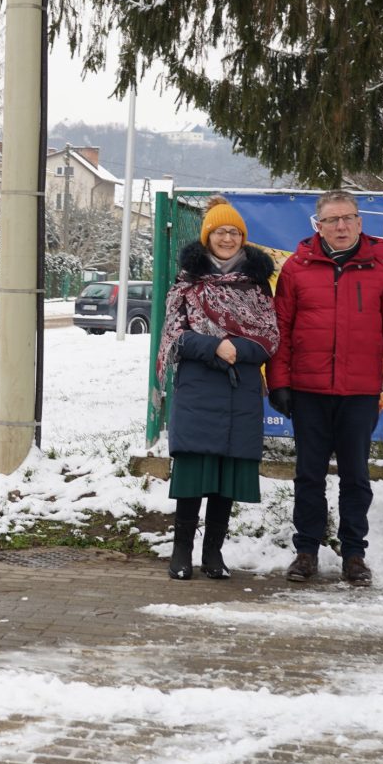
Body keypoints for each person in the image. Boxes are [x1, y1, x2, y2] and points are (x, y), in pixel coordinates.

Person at [267, 189, 383, 587]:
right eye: (332, 220)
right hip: (308, 390)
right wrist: (278, 382)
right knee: (308, 475)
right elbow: (281, 329)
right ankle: (306, 551)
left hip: (360, 391)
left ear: (360, 222)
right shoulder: (297, 268)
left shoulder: (381, 264)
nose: (341, 226)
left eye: (348, 218)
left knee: (355, 477)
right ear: (319, 226)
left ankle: (354, 554)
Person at [155, 197, 279, 581]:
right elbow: (174, 336)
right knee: (194, 474)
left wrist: (239, 349)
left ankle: (213, 554)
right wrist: (214, 347)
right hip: (199, 388)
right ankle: (181, 552)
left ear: (243, 237)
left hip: (240, 390)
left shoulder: (257, 285)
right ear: (207, 236)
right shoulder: (187, 283)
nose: (227, 238)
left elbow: (270, 337)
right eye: (220, 232)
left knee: (226, 476)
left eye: (234, 232)